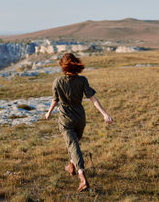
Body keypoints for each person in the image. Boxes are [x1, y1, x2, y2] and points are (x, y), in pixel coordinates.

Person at [45, 52, 114, 192]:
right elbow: (93, 99)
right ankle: (71, 166)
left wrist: (49, 112)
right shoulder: (83, 80)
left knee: (73, 145)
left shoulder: (57, 81)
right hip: (80, 118)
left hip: (66, 119)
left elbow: (55, 99)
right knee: (74, 144)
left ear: (63, 66)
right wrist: (105, 114)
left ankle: (82, 177)